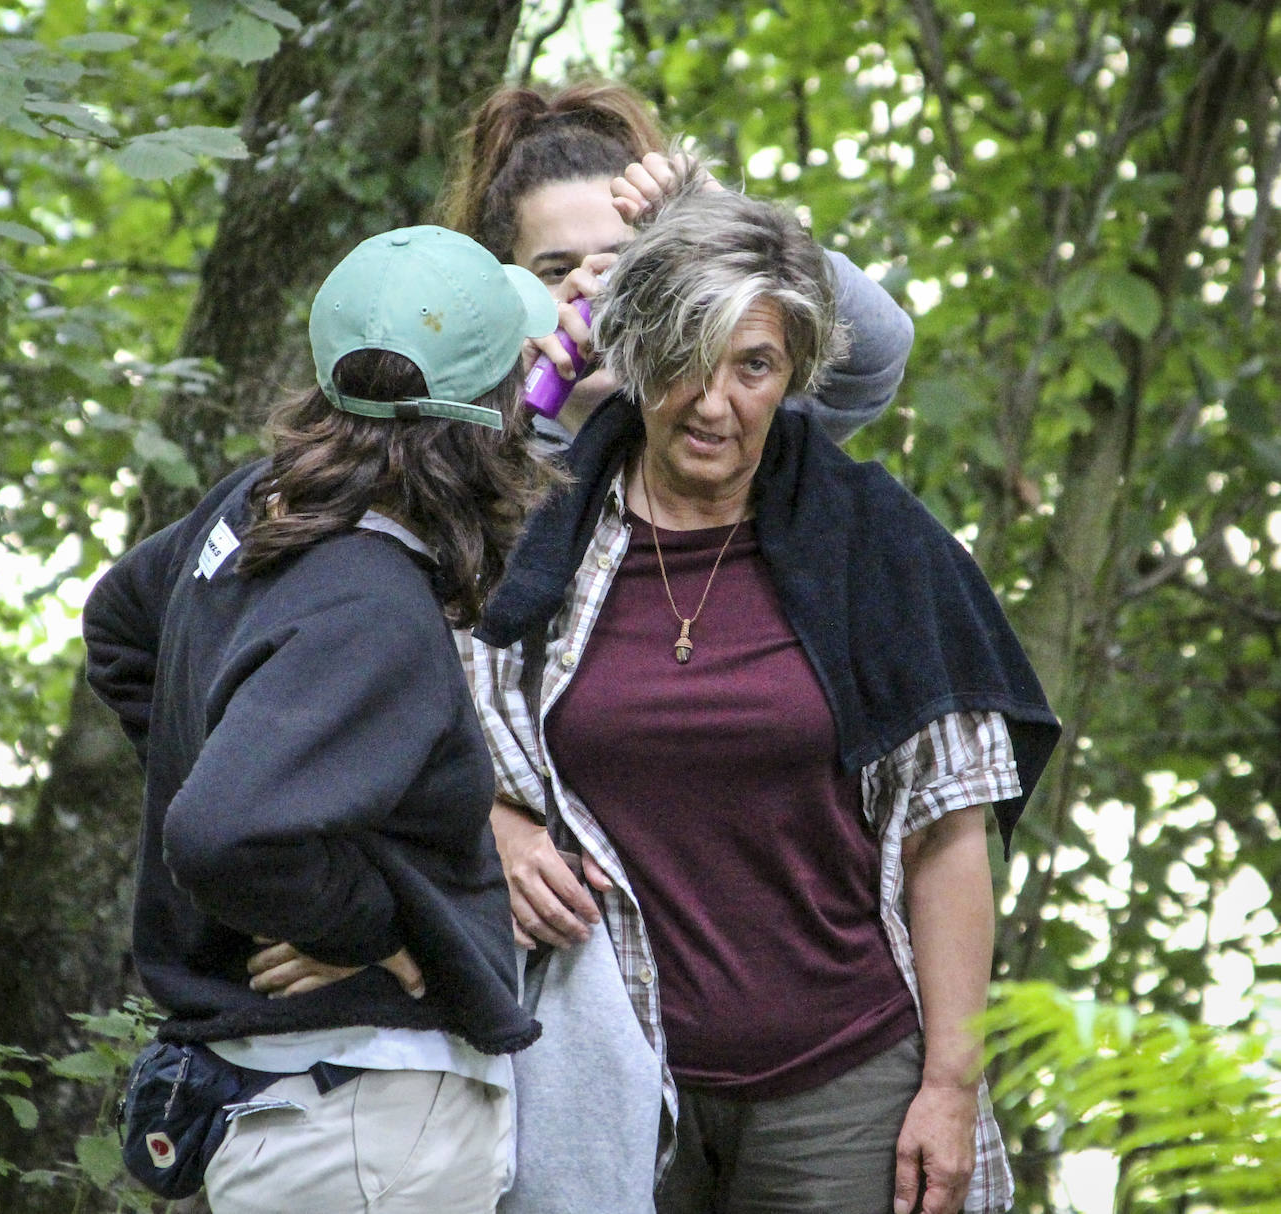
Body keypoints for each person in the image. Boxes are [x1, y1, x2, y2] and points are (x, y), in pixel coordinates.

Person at [465, 187, 1061, 1213]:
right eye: (689, 356)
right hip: (611, 1076)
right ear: (639, 351)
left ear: (792, 375)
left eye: (755, 366)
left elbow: (949, 830)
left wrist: (952, 1085)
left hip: (843, 1082)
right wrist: (496, 818)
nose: (715, 403)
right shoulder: (542, 541)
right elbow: (427, 714)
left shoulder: (874, 544)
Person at [83, 225, 562, 1213]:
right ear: (489, 416)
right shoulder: (371, 600)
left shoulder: (251, 509)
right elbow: (221, 831)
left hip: (293, 1109)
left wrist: (226, 775)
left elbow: (121, 624)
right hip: (360, 1120)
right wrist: (371, 926)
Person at [438, 78, 916, 450]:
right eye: (557, 271)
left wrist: (736, 224)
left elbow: (879, 352)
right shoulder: (469, 430)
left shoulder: (722, 419)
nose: (592, 291)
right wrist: (502, 402)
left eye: (620, 264)